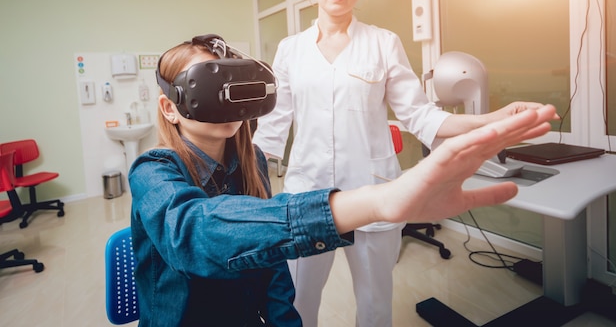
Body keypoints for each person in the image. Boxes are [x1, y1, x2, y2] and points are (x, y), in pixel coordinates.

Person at [129, 34, 557, 326]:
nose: (227, 102)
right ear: (171, 108)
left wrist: (487, 121)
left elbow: (272, 274)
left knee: (371, 300)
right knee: (307, 292)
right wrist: (373, 202)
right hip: (303, 206)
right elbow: (196, 233)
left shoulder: (252, 163)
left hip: (352, 191)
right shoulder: (154, 172)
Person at [251, 0, 557, 326]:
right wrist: (243, 198)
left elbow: (420, 116)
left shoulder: (383, 42)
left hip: (374, 193)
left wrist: (492, 119)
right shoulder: (290, 49)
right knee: (295, 302)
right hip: (306, 195)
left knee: (375, 303)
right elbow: (271, 131)